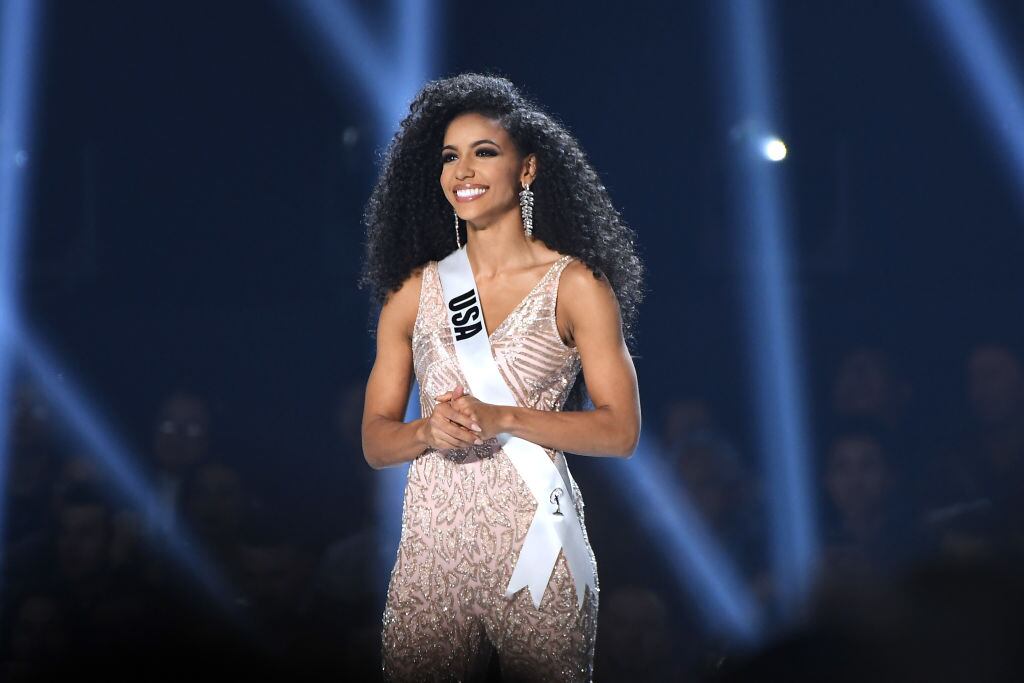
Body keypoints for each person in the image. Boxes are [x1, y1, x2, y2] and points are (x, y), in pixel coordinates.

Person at [359, 72, 644, 682]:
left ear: (528, 170)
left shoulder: (578, 286)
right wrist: (427, 432)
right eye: (450, 157)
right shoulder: (414, 293)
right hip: (432, 549)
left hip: (537, 540)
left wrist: (505, 418)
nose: (463, 170)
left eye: (484, 152)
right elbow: (376, 442)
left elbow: (620, 432)